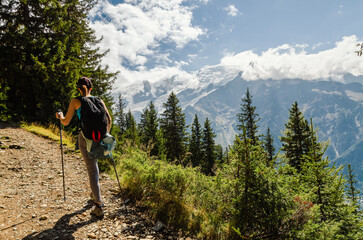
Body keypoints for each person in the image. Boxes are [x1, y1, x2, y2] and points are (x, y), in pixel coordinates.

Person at [56, 77, 112, 218]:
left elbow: (66, 122)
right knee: (95, 167)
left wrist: (60, 116)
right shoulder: (99, 100)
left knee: (92, 170)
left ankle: (98, 205)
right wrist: (105, 135)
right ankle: (95, 194)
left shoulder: (76, 101)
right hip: (101, 137)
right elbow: (109, 119)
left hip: (85, 138)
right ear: (91, 88)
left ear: (78, 88)